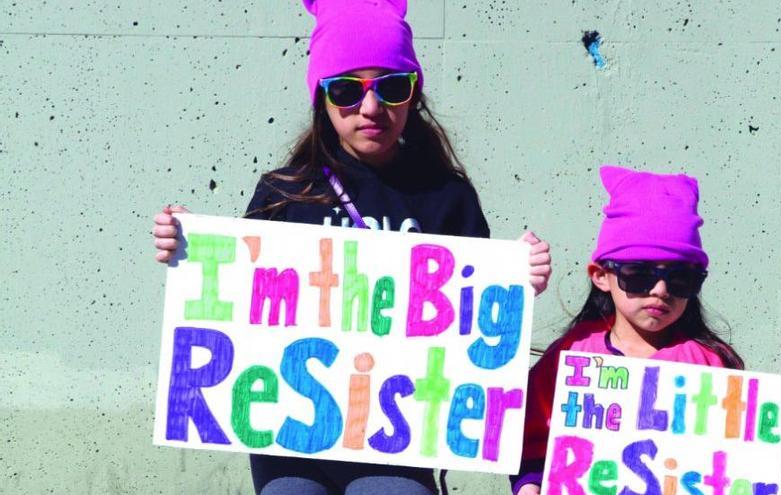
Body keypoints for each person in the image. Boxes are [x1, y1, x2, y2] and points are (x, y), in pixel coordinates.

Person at [152, 1, 551, 494]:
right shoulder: (285, 192)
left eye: (392, 87)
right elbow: (238, 297)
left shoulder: (447, 197)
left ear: (413, 93)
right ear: (322, 97)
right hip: (290, 439)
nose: (370, 108)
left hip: (397, 439)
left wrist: (516, 279)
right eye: (346, 89)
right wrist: (193, 246)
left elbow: (478, 320)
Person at [511, 165, 775, 495]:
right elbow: (530, 445)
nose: (661, 289)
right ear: (600, 276)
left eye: (681, 278)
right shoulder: (571, 355)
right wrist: (529, 487)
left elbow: (746, 469)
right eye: (639, 274)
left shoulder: (712, 364)